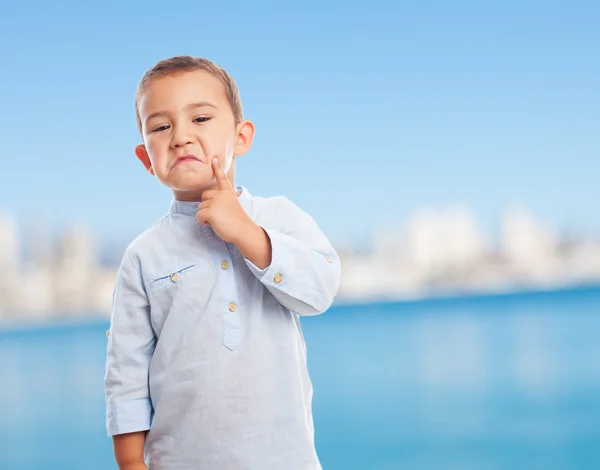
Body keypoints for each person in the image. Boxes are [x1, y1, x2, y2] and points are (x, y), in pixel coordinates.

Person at [104, 55, 341, 470]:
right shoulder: (144, 254)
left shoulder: (279, 216)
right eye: (161, 127)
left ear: (241, 136)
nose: (180, 137)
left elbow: (319, 291)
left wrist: (247, 233)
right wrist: (130, 463)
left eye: (200, 118)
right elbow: (126, 370)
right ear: (147, 159)